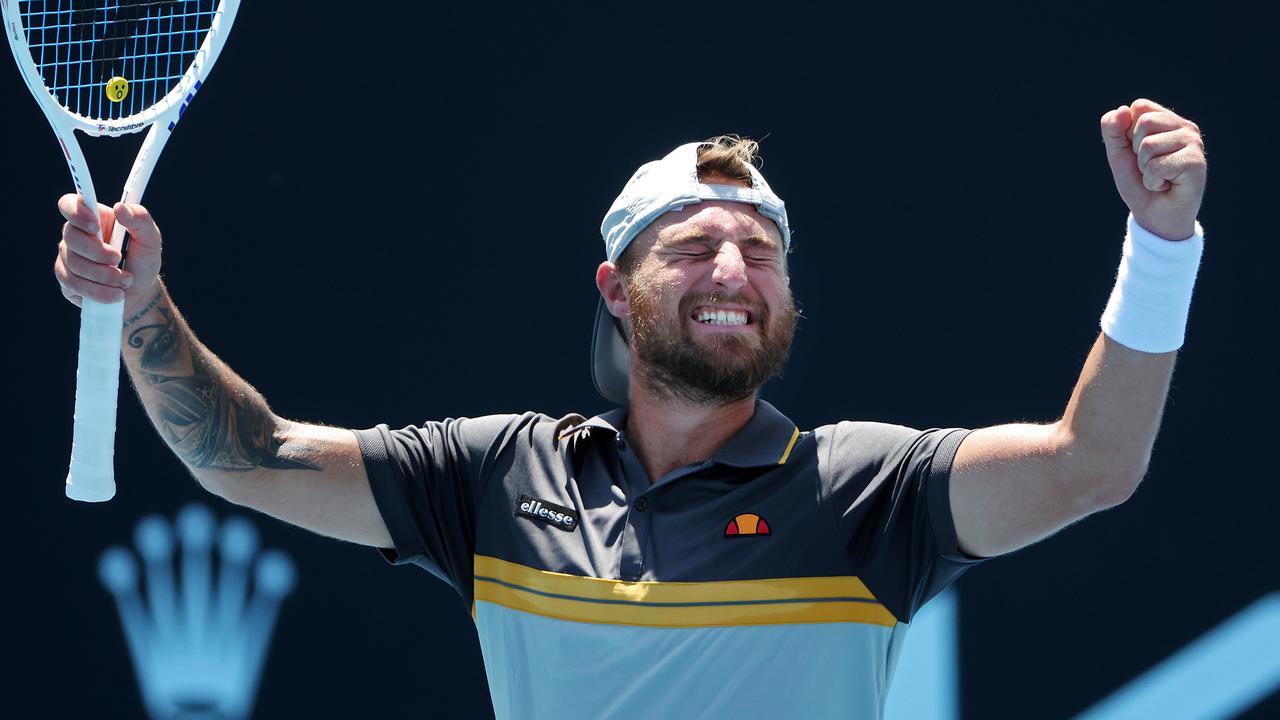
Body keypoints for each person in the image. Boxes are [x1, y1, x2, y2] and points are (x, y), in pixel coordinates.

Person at [52, 98, 1206, 719]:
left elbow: (1085, 465)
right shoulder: (495, 477)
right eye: (694, 245)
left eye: (759, 252)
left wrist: (1160, 247)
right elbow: (246, 454)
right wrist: (145, 308)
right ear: (615, 289)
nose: (730, 271)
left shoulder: (865, 489)